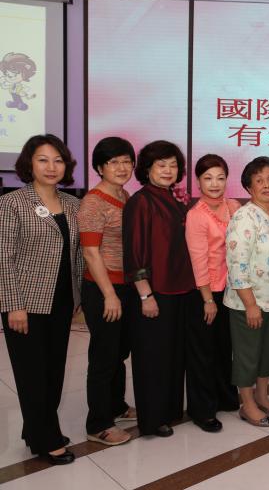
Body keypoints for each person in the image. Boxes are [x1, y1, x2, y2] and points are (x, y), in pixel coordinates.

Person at [0, 134, 83, 464]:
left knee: (53, 371)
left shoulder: (73, 204)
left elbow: (77, 254)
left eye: (58, 160)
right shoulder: (12, 203)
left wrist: (77, 296)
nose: (51, 167)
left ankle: (36, 430)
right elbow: (3, 258)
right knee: (32, 374)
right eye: (43, 160)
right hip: (26, 304)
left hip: (61, 302)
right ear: (29, 164)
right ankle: (48, 439)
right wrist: (13, 305)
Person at [123, 140, 199, 437]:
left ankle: (169, 410)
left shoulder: (175, 198)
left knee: (173, 355)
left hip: (181, 289)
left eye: (173, 165)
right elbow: (135, 254)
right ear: (147, 169)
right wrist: (145, 294)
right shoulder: (141, 201)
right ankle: (152, 419)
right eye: (161, 165)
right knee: (152, 357)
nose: (168, 170)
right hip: (155, 292)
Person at [78, 137, 137, 446]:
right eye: (113, 162)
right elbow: (91, 253)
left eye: (126, 161)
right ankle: (98, 423)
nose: (122, 167)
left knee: (118, 352)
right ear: (100, 167)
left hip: (125, 286)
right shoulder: (93, 202)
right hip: (103, 288)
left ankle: (116, 406)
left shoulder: (125, 195)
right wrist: (109, 295)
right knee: (104, 356)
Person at [225, 157, 269, 428]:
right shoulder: (244, 217)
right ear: (249, 187)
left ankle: (262, 395)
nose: (267, 185)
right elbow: (236, 265)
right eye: (259, 180)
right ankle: (247, 404)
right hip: (247, 302)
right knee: (248, 354)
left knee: (267, 353)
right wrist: (250, 304)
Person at [184, 154, 241, 431]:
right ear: (198, 182)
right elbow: (199, 261)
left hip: (230, 291)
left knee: (224, 347)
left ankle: (226, 397)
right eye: (208, 178)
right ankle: (203, 410)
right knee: (203, 352)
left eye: (220, 177)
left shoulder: (234, 206)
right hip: (205, 292)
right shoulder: (196, 215)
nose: (214, 183)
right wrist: (208, 300)